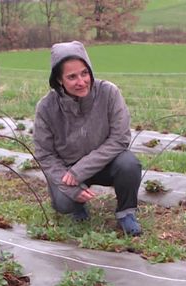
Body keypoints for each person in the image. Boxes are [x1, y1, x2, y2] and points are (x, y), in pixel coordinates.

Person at [34, 41, 142, 236]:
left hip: (104, 164)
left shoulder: (109, 93)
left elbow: (120, 138)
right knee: (63, 203)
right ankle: (77, 205)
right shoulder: (46, 108)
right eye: (72, 76)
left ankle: (126, 213)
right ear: (59, 80)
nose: (81, 81)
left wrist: (81, 170)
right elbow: (45, 154)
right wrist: (72, 186)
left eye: (85, 73)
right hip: (67, 169)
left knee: (129, 164)